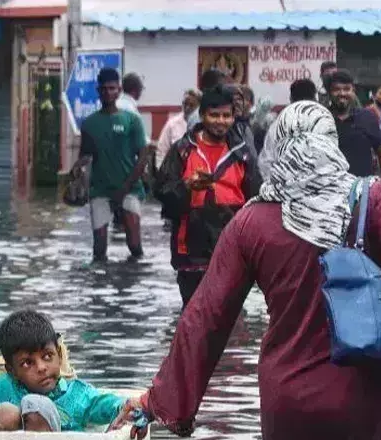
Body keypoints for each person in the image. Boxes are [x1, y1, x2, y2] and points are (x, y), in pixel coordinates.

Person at [114, 101, 381, 440]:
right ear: (330, 144)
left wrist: (163, 402)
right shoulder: (372, 199)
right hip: (371, 398)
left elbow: (205, 318)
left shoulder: (252, 220)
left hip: (291, 407)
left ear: (277, 149)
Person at [0, 310, 130, 432]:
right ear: (12, 370)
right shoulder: (1, 387)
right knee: (7, 414)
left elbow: (104, 404)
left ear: (59, 355)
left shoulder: (77, 395)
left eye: (47, 356)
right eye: (27, 363)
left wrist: (125, 406)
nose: (41, 368)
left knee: (37, 408)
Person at [156, 86, 261, 305]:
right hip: (191, 250)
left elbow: (256, 201)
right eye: (214, 115)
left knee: (226, 318)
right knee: (193, 315)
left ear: (233, 117)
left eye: (226, 116)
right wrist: (187, 186)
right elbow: (161, 191)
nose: (220, 121)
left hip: (231, 249)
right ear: (202, 116)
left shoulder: (242, 154)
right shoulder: (182, 150)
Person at [77, 67, 150, 261]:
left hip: (130, 189)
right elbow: (84, 157)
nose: (108, 93)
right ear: (98, 90)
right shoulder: (89, 124)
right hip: (100, 190)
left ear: (119, 90)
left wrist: (125, 187)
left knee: (135, 247)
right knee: (99, 250)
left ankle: (134, 282)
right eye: (104, 89)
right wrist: (77, 179)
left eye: (112, 88)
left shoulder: (132, 120)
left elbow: (143, 156)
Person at [327, 70, 381, 180]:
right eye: (336, 89)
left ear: (353, 91)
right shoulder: (322, 118)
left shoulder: (367, 117)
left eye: (346, 89)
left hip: (361, 190)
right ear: (329, 92)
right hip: (330, 189)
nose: (342, 93)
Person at [156, 89, 201, 162]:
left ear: (199, 106)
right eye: (185, 104)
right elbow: (162, 150)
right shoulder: (172, 124)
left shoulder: (204, 125)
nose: (187, 108)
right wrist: (160, 170)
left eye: (191, 105)